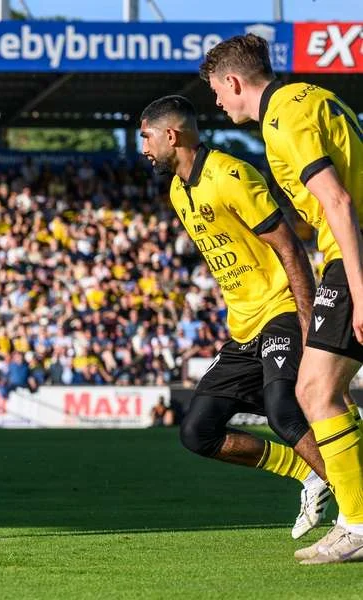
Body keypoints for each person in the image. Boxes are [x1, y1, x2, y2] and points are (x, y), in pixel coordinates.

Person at [201, 33, 363, 565]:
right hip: (347, 250)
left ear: (232, 81)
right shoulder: (311, 97)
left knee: (315, 392)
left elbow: (336, 200)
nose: (218, 104)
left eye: (217, 93)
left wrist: (358, 291)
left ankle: (356, 524)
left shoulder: (282, 121)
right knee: (320, 391)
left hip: (353, 252)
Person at [140, 95, 331, 541]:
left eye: (146, 137)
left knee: (285, 410)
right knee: (197, 432)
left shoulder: (231, 175)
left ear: (172, 135)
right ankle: (310, 472)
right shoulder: (176, 191)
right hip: (243, 325)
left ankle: (355, 503)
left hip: (282, 307)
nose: (143, 148)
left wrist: (308, 323)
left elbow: (289, 248)